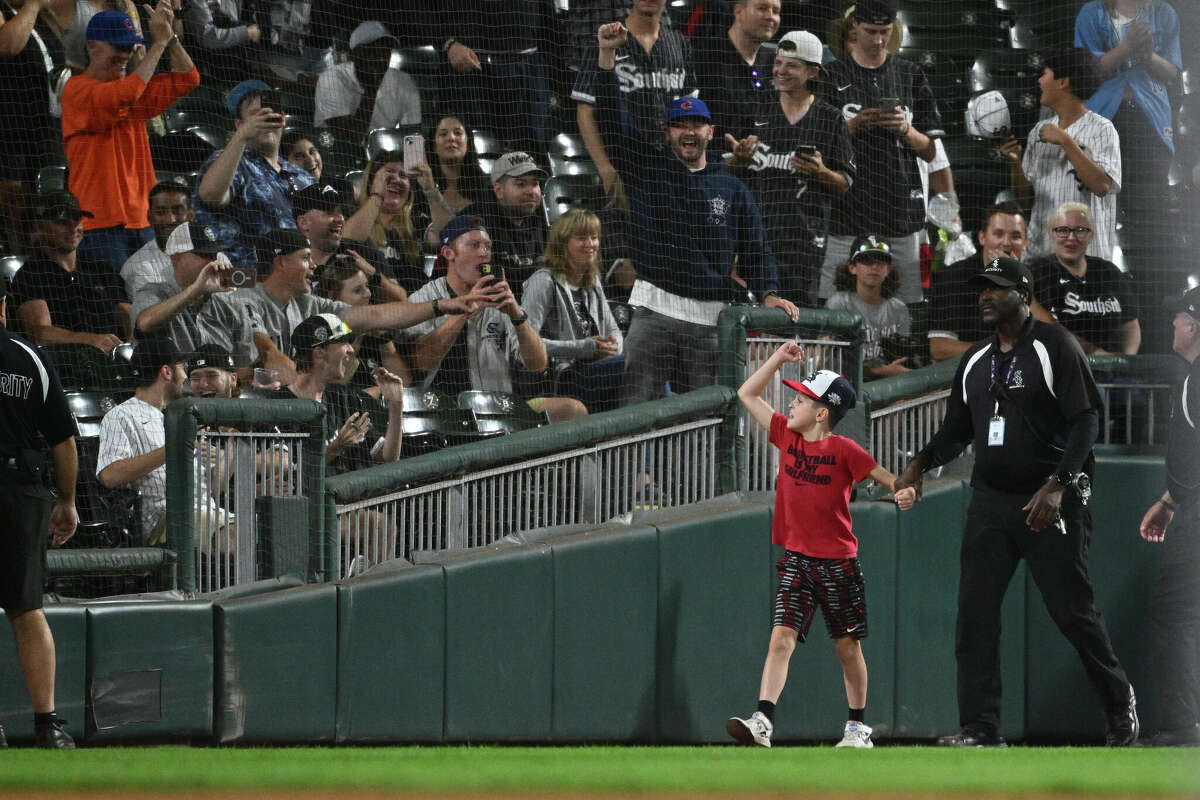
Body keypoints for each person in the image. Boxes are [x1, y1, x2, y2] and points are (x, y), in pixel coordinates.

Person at [894, 256, 1139, 748]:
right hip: (990, 502)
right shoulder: (976, 359)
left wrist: (1059, 484)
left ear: (1023, 295)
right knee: (975, 615)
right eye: (981, 288)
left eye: (996, 288)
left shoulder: (1055, 346)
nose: (984, 295)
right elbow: (957, 431)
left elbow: (1086, 419)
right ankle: (981, 728)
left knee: (1073, 613)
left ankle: (1119, 706)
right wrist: (920, 463)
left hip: (1050, 500)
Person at [591, 23, 799, 405]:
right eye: (679, 125)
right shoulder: (646, 170)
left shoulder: (733, 188)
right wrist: (607, 59)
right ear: (667, 132)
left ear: (711, 131)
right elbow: (610, 124)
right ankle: (639, 470)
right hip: (654, 309)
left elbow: (756, 248)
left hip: (712, 319)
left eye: (697, 124)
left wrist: (769, 293)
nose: (689, 132)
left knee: (709, 417)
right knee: (637, 411)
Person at [727, 346, 916, 749]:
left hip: (838, 565)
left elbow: (888, 478)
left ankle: (857, 727)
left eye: (800, 399)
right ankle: (763, 720)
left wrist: (906, 491)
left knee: (848, 648)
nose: (791, 403)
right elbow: (746, 394)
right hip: (797, 559)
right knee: (781, 638)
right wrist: (777, 358)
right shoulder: (786, 436)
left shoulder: (845, 450)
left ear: (822, 412)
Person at [235, 227, 486, 382]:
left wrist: (442, 305)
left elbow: (376, 316)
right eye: (305, 258)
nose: (313, 266)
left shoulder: (307, 303)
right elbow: (269, 356)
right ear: (280, 263)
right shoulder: (245, 300)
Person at [815, 0, 942, 304]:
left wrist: (906, 130)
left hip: (900, 212)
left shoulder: (910, 74)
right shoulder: (830, 75)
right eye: (871, 31)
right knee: (834, 310)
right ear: (854, 26)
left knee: (906, 310)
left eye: (885, 32)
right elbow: (814, 142)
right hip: (845, 212)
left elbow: (931, 151)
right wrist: (852, 125)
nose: (878, 40)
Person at [404, 214, 586, 424]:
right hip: (443, 414)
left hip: (501, 410)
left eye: (487, 247)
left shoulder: (499, 299)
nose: (483, 253)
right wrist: (466, 312)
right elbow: (421, 362)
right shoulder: (424, 299)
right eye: (474, 245)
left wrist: (517, 315)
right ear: (448, 253)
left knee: (573, 410)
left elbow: (538, 365)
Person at [0, 280, 80, 749]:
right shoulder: (29, 356)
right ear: (4, 304)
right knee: (28, 610)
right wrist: (67, 501)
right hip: (23, 490)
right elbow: (63, 441)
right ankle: (48, 724)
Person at [63, 6, 200, 275]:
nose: (125, 55)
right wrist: (158, 44)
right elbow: (125, 94)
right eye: (118, 47)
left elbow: (188, 78)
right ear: (92, 46)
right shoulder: (77, 89)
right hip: (98, 222)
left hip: (142, 220)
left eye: (129, 48)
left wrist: (170, 39)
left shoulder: (133, 91)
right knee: (118, 308)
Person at [725, 29, 854, 308]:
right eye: (778, 62)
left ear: (813, 72)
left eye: (791, 65)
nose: (780, 71)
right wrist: (738, 160)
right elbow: (723, 169)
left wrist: (821, 172)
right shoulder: (754, 109)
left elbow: (845, 183)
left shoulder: (830, 119)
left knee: (796, 323)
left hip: (804, 241)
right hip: (754, 237)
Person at [1137, 287, 1200, 747]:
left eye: (1178, 318)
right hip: (1187, 503)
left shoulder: (1194, 381)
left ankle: (1184, 727)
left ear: (1194, 325)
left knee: (1174, 612)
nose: (1173, 326)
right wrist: (1171, 500)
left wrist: (1176, 496)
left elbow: (1189, 461)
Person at [1002, 48, 1120, 264]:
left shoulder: (1102, 129)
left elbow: (1102, 186)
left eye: (1044, 73)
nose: (1039, 81)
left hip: (1087, 260)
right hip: (1041, 256)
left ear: (1063, 81)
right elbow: (1025, 199)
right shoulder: (1038, 131)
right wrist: (1015, 163)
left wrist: (1066, 141)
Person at [573, 0, 694, 200]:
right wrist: (605, 169)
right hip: (622, 166)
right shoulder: (607, 39)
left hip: (670, 168)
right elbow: (585, 110)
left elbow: (689, 110)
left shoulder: (679, 43)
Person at [1075, 0, 1181, 226]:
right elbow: (1084, 70)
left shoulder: (1164, 13)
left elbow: (1172, 73)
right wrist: (1128, 46)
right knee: (1099, 209)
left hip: (1151, 121)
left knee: (1148, 210)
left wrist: (1149, 55)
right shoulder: (1091, 13)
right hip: (1104, 117)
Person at [194, 79, 315, 270]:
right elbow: (211, 195)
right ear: (239, 124)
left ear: (282, 117)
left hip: (298, 278)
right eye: (255, 116)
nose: (263, 120)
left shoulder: (301, 176)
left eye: (268, 113)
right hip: (246, 281)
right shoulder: (231, 162)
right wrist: (242, 136)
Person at [521, 209, 623, 413]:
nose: (590, 244)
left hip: (599, 368)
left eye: (594, 237)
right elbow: (525, 345)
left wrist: (615, 346)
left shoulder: (592, 280)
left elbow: (614, 328)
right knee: (637, 366)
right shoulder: (543, 280)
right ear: (563, 243)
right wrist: (584, 347)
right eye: (581, 238)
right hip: (564, 376)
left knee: (651, 374)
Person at [9, 190, 130, 352]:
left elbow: (127, 314)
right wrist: (91, 340)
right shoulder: (30, 274)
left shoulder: (101, 268)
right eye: (62, 222)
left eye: (77, 220)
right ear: (40, 226)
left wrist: (130, 349)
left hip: (114, 362)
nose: (73, 228)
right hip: (66, 365)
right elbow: (40, 334)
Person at [131, 220, 258, 370]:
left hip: (221, 392)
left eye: (214, 254)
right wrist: (196, 289)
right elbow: (145, 323)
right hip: (173, 391)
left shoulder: (230, 304)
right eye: (204, 254)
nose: (213, 261)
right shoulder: (152, 292)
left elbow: (244, 368)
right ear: (176, 257)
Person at [95, 336, 185, 542]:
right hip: (164, 519)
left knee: (260, 525)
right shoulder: (121, 415)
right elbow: (110, 475)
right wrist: (173, 449)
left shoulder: (177, 416)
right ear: (167, 372)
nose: (186, 376)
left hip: (202, 511)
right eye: (182, 368)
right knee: (237, 535)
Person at [433, 0, 551, 156]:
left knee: (530, 153)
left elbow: (548, 14)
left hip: (528, 62)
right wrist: (446, 43)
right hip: (470, 65)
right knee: (478, 152)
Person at [1031, 202, 1140, 356]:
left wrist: (1126, 361)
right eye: (1062, 230)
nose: (1071, 238)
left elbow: (1131, 324)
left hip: (1114, 374)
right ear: (1051, 235)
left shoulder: (1108, 271)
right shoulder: (1038, 273)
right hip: (1064, 368)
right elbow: (1048, 328)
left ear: (1091, 236)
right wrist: (1096, 354)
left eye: (1080, 230)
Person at [0, 0, 65, 254]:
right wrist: (34, 4)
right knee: (16, 202)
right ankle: (23, 266)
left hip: (47, 125)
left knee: (50, 195)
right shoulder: (14, 12)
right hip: (11, 124)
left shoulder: (42, 19)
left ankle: (53, 263)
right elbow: (7, 46)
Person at [291, 177, 405, 302]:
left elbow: (401, 301)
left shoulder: (361, 252)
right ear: (304, 223)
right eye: (329, 212)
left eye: (341, 212)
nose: (340, 219)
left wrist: (372, 274)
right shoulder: (290, 262)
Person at [313, 21, 421, 144]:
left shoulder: (404, 82)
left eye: (385, 52)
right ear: (354, 55)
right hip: (335, 155)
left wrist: (411, 162)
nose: (381, 58)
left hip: (381, 157)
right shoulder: (332, 78)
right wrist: (371, 89)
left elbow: (413, 138)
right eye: (372, 52)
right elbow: (351, 139)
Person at [314, 256, 412, 391]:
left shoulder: (376, 327)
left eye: (367, 286)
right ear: (333, 297)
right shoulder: (321, 333)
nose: (368, 294)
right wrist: (358, 334)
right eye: (357, 290)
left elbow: (404, 384)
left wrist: (385, 341)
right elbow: (332, 388)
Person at [343, 153, 435, 296]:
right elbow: (346, 242)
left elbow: (447, 239)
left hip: (416, 306)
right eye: (389, 173)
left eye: (403, 176)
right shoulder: (352, 215)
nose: (397, 179)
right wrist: (377, 195)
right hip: (370, 305)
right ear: (371, 182)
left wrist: (430, 189)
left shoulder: (417, 222)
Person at [457, 151, 549, 290]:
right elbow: (484, 277)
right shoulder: (474, 222)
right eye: (521, 184)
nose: (531, 191)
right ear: (499, 190)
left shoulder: (539, 221)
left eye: (535, 184)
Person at [692, 0, 780, 142]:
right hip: (714, 159)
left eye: (776, 11)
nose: (770, 16)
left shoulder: (775, 62)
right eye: (762, 8)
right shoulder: (704, 56)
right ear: (739, 12)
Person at [826, 235, 912, 379]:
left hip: (891, 383)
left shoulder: (899, 309)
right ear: (852, 267)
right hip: (847, 384)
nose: (875, 267)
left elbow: (902, 358)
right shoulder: (838, 303)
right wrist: (879, 371)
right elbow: (830, 361)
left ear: (888, 270)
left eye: (881, 262)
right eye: (867, 261)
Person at [120, 181, 195, 300]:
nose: (170, 219)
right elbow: (153, 316)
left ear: (191, 215)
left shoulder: (213, 256)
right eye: (160, 212)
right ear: (149, 217)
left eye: (177, 211)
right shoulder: (137, 267)